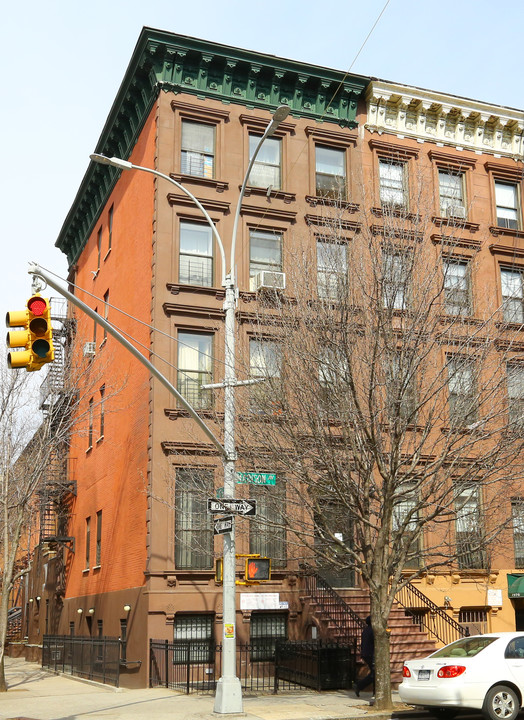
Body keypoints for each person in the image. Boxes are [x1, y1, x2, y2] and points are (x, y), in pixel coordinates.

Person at [353, 615, 374, 697]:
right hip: (371, 654)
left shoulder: (365, 631)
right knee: (374, 674)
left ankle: (360, 686)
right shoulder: (372, 631)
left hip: (366, 654)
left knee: (374, 673)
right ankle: (359, 686)